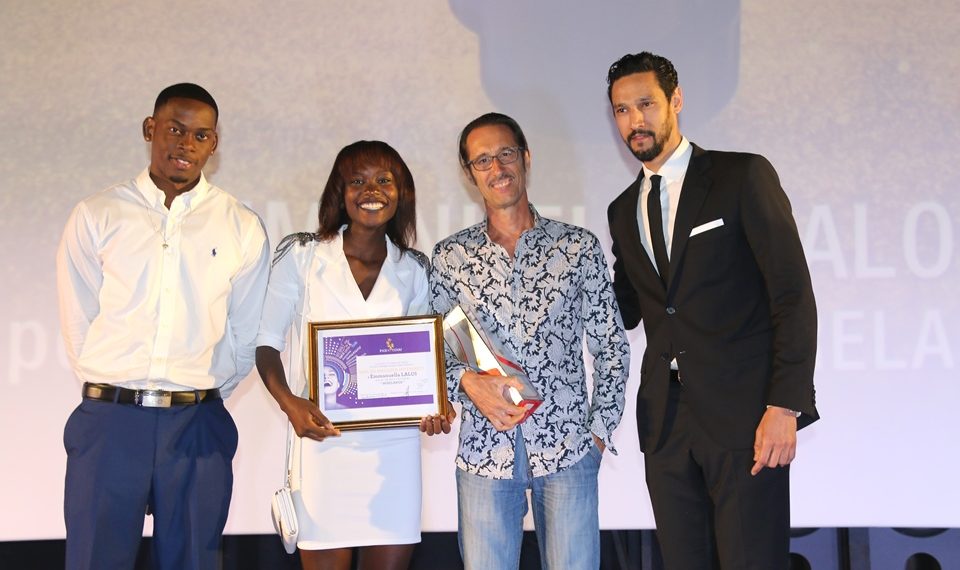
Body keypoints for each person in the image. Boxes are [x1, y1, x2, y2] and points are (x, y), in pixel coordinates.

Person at [605, 52, 820, 569]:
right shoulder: (622, 209)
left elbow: (792, 295)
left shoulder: (741, 176)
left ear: (675, 100)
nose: (635, 121)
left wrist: (785, 405)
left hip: (745, 418)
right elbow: (624, 308)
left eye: (645, 104)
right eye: (621, 110)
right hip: (666, 426)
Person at [56, 83, 271, 570]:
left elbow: (246, 334)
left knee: (194, 560)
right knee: (95, 560)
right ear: (150, 129)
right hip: (110, 422)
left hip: (197, 423)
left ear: (214, 145)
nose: (186, 144)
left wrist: (199, 392)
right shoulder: (98, 214)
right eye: (175, 129)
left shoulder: (240, 224)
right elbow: (78, 321)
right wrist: (115, 387)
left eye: (200, 135)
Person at [428, 112, 629, 569]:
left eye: (506, 154)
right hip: (484, 453)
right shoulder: (450, 258)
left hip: (568, 450)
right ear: (469, 173)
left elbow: (611, 346)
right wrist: (465, 382)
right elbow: (438, 350)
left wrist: (598, 436)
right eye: (482, 160)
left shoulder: (576, 247)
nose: (497, 168)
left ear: (526, 158)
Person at [255, 140, 453, 570]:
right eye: (358, 181)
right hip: (322, 444)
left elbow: (423, 361)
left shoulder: (414, 268)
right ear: (339, 192)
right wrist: (290, 403)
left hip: (394, 453)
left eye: (384, 180)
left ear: (401, 192)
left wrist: (436, 404)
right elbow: (266, 343)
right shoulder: (302, 256)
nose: (372, 190)